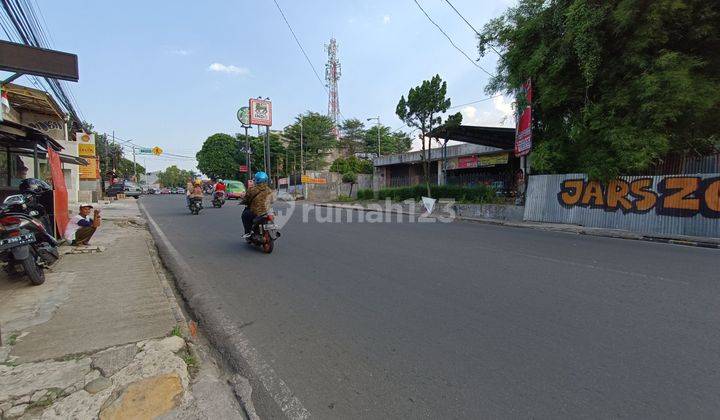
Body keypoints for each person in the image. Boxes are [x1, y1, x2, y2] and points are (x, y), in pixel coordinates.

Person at [241, 172, 272, 238]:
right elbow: (272, 200)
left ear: (256, 180)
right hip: (267, 211)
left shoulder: (252, 190)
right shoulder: (269, 190)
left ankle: (248, 232)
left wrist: (243, 201)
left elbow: (246, 200)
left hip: (255, 212)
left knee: (244, 215)